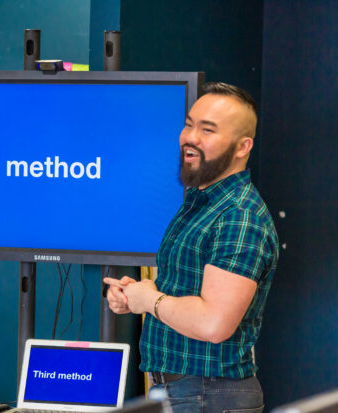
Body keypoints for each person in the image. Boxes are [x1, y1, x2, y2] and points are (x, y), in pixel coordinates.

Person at [104, 82, 278, 413]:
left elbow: (214, 323)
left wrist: (151, 300)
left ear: (243, 147)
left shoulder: (238, 216)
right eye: (189, 124)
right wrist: (138, 294)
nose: (190, 137)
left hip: (207, 395)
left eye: (207, 130)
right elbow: (186, 292)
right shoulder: (201, 201)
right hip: (182, 391)